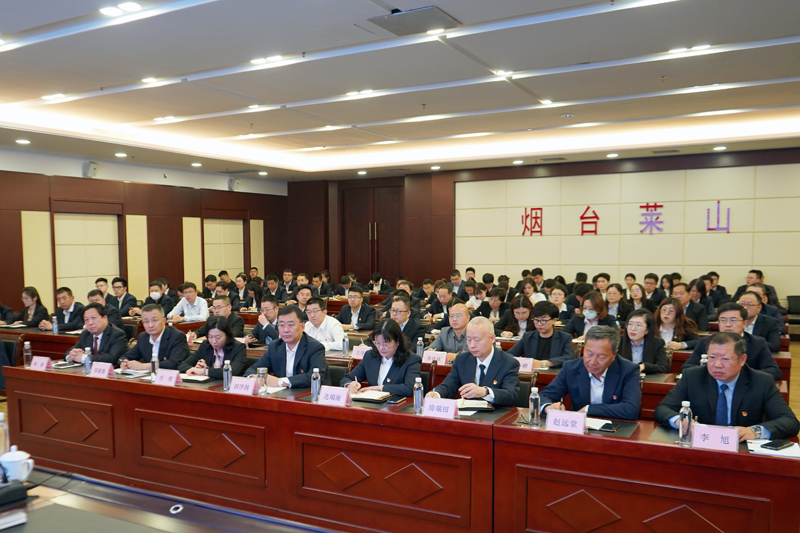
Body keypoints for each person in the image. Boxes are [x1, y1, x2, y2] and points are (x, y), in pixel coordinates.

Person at [656, 332, 799, 441]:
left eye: (725, 359)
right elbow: (663, 409)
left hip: (741, 451)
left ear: (742, 360)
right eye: (712, 357)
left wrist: (755, 431)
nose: (717, 365)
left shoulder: (762, 382)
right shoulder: (692, 377)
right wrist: (680, 420)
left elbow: (790, 421)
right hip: (701, 445)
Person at [539, 326, 641, 420]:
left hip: (616, 428)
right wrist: (548, 407)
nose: (593, 362)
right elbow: (544, 396)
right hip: (579, 428)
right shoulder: (571, 368)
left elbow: (631, 409)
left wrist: (588, 409)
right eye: (589, 354)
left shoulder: (628, 370)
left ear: (614, 355)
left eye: (601, 357)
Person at [427, 317, 520, 407]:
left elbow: (511, 395)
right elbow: (449, 386)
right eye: (468, 339)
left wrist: (485, 392)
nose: (472, 345)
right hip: (467, 414)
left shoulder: (508, 362)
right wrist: (436, 394)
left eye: (477, 340)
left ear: (492, 338)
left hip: (497, 414)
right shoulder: (462, 359)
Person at [680, 303, 781, 381]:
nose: (727, 325)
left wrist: (736, 374)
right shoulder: (705, 342)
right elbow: (686, 368)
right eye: (723, 320)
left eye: (733, 320)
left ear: (744, 323)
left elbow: (774, 371)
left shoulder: (757, 343)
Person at [244, 306, 329, 387]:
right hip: (281, 394)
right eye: (281, 325)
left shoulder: (315, 347)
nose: (286, 330)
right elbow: (254, 369)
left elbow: (314, 377)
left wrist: (280, 382)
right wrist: (253, 377)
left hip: (307, 394)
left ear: (302, 326)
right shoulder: (275, 346)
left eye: (291, 324)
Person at [341, 319, 422, 397]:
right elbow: (347, 378)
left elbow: (410, 388)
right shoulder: (370, 356)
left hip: (397, 404)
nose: (381, 348)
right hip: (371, 403)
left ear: (397, 341)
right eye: (377, 343)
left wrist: (380, 388)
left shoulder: (411, 360)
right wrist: (350, 385)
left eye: (386, 344)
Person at [119, 304, 190, 370]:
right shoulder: (143, 337)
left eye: (154, 320)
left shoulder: (177, 336)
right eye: (146, 321)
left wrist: (145, 366)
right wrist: (124, 362)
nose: (150, 325)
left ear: (164, 320)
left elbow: (174, 363)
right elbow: (126, 356)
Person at [507, 301, 573, 368]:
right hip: (532, 373)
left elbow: (569, 357)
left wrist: (544, 363)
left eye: (543, 320)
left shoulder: (565, 338)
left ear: (554, 320)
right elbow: (509, 354)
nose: (539, 324)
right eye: (536, 320)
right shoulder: (528, 337)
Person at [180, 317, 247, 379]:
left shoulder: (238, 348)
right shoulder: (206, 345)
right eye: (210, 337)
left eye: (218, 337)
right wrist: (195, 368)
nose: (214, 341)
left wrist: (204, 371)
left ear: (227, 335)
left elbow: (231, 371)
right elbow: (182, 365)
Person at [620, 309, 669, 374]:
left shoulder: (657, 343)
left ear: (647, 330)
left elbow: (663, 367)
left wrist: (644, 366)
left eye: (638, 325)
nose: (633, 328)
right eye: (630, 324)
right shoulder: (618, 341)